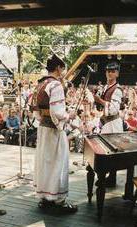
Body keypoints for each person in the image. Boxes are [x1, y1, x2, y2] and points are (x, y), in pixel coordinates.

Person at [30, 54, 78, 213]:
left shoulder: (41, 84)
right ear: (58, 68)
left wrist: (43, 119)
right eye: (63, 68)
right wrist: (68, 116)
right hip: (54, 130)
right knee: (58, 163)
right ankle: (58, 201)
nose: (64, 72)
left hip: (43, 128)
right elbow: (57, 111)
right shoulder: (56, 85)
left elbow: (35, 109)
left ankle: (45, 198)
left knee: (45, 163)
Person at [93, 61, 123, 187]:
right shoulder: (106, 87)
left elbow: (114, 109)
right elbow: (103, 106)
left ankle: (111, 179)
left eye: (112, 71)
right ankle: (106, 176)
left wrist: (100, 100)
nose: (109, 73)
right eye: (107, 71)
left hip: (113, 123)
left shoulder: (118, 89)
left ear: (117, 73)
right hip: (105, 122)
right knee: (105, 151)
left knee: (112, 152)